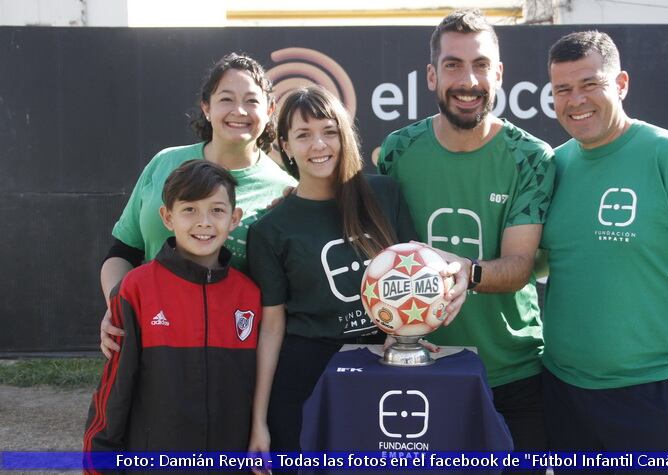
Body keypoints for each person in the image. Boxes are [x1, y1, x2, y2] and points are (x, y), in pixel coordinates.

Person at [540, 30, 668, 473]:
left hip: (651, 395)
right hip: (564, 393)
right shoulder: (554, 166)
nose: (576, 100)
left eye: (591, 84)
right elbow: (533, 266)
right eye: (563, 90)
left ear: (622, 84)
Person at [246, 86, 467, 456]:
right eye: (303, 135)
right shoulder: (269, 229)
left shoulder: (384, 194)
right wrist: (259, 422)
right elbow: (271, 328)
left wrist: (411, 330)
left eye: (329, 131)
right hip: (307, 380)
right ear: (285, 145)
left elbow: (419, 271)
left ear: (344, 134)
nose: (319, 145)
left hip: (382, 370)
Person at [377, 9, 555, 454]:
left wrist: (466, 272)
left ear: (498, 74)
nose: (468, 81)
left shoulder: (531, 157)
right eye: (454, 65)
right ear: (432, 76)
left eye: (480, 65)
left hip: (511, 374)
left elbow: (519, 267)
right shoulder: (398, 150)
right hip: (417, 369)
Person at [98, 52, 296, 359]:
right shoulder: (164, 164)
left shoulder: (285, 190)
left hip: (225, 356)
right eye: (226, 99)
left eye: (252, 101)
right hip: (149, 341)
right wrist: (118, 305)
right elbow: (123, 252)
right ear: (206, 107)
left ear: (270, 109)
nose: (239, 110)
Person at [82, 160, 261, 470]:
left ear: (235, 219)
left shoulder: (250, 295)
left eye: (217, 210)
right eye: (189, 209)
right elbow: (114, 393)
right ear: (167, 217)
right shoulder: (136, 288)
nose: (204, 222)